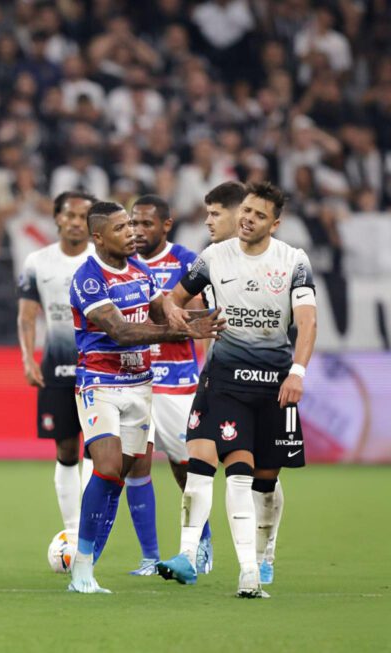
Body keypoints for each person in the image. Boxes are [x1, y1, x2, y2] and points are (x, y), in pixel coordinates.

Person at [157, 182, 316, 598]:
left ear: (274, 223)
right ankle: (192, 557)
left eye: (259, 214)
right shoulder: (213, 257)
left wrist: (297, 371)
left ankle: (265, 556)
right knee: (212, 463)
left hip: (274, 386)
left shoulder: (294, 262)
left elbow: (308, 322)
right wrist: (183, 320)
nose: (248, 218)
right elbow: (172, 301)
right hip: (224, 380)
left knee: (265, 482)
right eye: (245, 210)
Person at [67, 201, 224, 594]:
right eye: (121, 228)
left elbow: (166, 314)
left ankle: (94, 553)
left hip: (141, 386)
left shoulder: (141, 271)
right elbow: (121, 332)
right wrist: (183, 333)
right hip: (99, 383)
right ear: (98, 237)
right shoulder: (88, 279)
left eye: (132, 226)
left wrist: (206, 321)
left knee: (119, 477)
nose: (132, 233)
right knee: (105, 467)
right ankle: (82, 568)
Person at [126, 194, 212, 576]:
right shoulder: (121, 262)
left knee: (185, 468)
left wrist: (207, 363)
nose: (137, 230)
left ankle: (202, 543)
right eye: (133, 223)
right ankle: (149, 557)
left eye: (146, 224)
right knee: (136, 466)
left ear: (166, 225)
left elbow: (206, 315)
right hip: (135, 378)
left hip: (178, 382)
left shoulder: (186, 262)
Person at [16, 191, 96, 544]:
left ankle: (92, 528)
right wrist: (27, 358)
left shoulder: (103, 260)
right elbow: (27, 315)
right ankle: (74, 529)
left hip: (100, 370)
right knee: (65, 449)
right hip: (57, 367)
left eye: (84, 217)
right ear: (58, 219)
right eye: (70, 215)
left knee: (99, 449)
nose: (77, 222)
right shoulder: (37, 261)